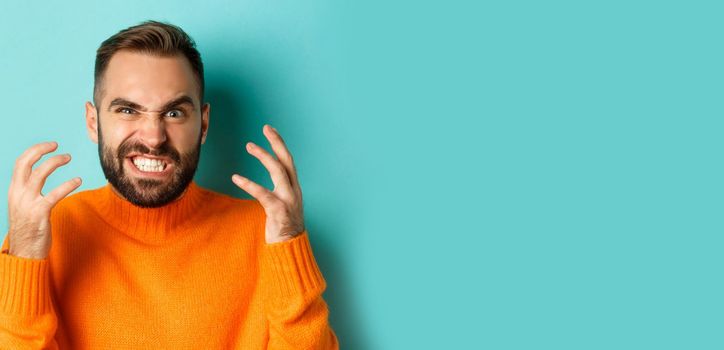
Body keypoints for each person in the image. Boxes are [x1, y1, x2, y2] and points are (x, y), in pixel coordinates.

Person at [0, 20, 339, 349]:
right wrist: (25, 256)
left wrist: (288, 242)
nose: (153, 137)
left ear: (203, 125)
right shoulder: (49, 232)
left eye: (174, 113)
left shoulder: (266, 233)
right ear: (93, 122)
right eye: (128, 111)